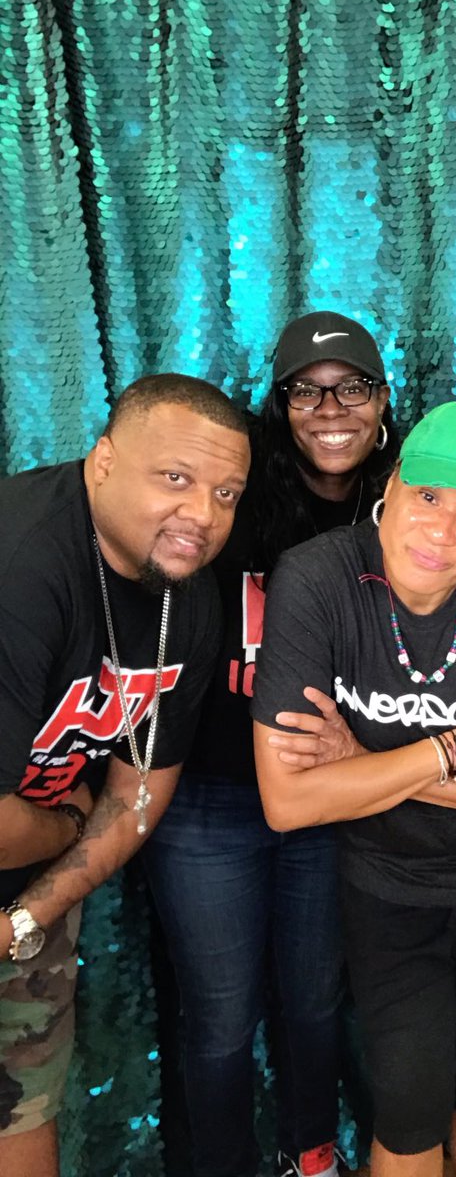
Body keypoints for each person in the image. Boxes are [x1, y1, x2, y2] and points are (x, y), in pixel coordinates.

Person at [251, 401, 456, 1177]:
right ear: (390, 485)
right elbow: (289, 802)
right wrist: (455, 751)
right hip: (390, 891)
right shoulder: (317, 576)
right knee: (408, 1102)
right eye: (429, 495)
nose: (441, 531)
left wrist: (363, 762)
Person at [142, 311, 399, 1177]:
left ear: (382, 400)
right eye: (306, 391)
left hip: (329, 796)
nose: (331, 409)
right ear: (279, 406)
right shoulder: (233, 501)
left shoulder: (411, 509)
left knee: (318, 1001)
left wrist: (364, 750)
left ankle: (311, 1158)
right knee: (218, 1012)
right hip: (212, 796)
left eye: (352, 387)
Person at [0, 374, 251, 1177]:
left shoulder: (189, 598)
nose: (204, 515)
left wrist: (25, 918)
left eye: (226, 492)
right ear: (102, 459)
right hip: (37, 835)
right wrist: (63, 827)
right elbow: (88, 811)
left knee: (20, 1100)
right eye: (175, 479)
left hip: (26, 892)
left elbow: (142, 791)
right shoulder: (22, 571)